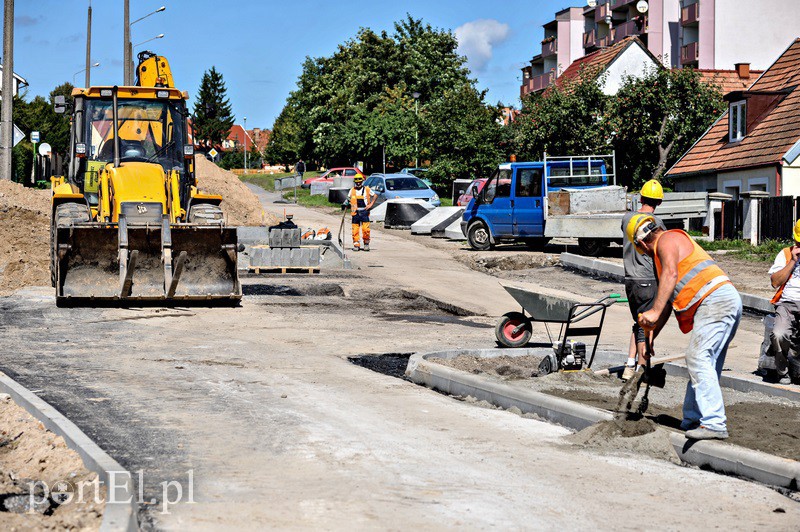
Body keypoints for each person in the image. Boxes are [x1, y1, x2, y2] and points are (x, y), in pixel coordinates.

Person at [630, 214, 742, 440]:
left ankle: (714, 422)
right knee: (702, 361)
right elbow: (667, 302)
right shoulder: (664, 255)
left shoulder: (668, 239)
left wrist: (651, 313)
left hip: (715, 299)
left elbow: (670, 278)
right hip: (718, 300)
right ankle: (693, 419)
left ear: (641, 243)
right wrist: (650, 336)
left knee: (698, 357)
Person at [620, 180, 666, 381]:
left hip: (629, 279)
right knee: (647, 325)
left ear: (640, 198)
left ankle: (629, 366)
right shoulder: (656, 224)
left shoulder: (627, 219)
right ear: (659, 202)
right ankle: (642, 368)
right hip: (647, 278)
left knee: (638, 322)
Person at [768, 220, 800, 384]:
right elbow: (775, 282)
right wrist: (793, 262)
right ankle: (783, 372)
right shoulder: (785, 254)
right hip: (787, 303)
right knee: (779, 334)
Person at [349, 175, 375, 251]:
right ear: (355, 182)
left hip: (364, 212)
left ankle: (366, 244)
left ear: (362, 182)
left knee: (365, 229)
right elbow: (348, 198)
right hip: (355, 213)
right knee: (355, 230)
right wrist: (346, 203)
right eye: (356, 182)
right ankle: (356, 244)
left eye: (359, 182)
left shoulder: (367, 189)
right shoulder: (352, 190)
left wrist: (371, 204)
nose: (358, 184)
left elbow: (375, 195)